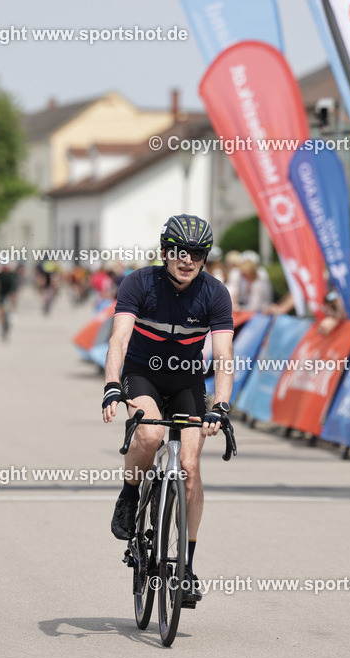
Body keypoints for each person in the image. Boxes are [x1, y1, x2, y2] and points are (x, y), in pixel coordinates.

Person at [102, 214, 234, 607]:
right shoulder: (139, 283)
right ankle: (129, 496)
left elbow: (224, 355)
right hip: (143, 376)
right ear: (165, 252)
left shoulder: (215, 294)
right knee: (150, 434)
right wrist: (112, 384)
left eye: (197, 253)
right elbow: (118, 339)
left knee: (190, 468)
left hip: (188, 383)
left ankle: (186, 567)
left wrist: (222, 405)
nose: (188, 260)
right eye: (179, 252)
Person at [0, 263, 19, 341]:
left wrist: (13, 295)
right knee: (0, 310)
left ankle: (12, 314)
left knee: (10, 306)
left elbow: (14, 286)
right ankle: (1, 328)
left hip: (10, 292)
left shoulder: (12, 275)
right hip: (2, 293)